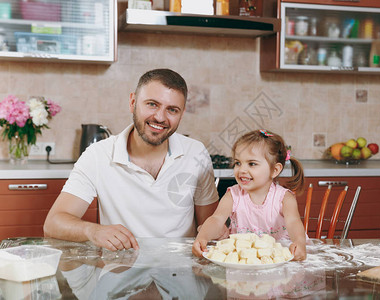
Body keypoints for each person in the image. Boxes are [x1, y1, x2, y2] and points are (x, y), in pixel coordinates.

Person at [44, 69, 219, 251]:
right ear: (133, 102)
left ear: (181, 114)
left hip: (180, 271)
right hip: (121, 271)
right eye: (152, 104)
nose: (160, 117)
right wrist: (93, 231)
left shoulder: (195, 152)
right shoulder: (98, 155)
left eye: (172, 110)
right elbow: (53, 224)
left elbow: (210, 226)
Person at [192, 129, 307, 261]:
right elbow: (216, 219)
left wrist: (299, 242)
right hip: (243, 261)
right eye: (238, 163)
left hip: (278, 260)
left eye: (252, 164)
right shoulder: (233, 195)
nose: (242, 170)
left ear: (275, 170)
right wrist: (202, 237)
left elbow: (293, 222)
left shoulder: (284, 198)